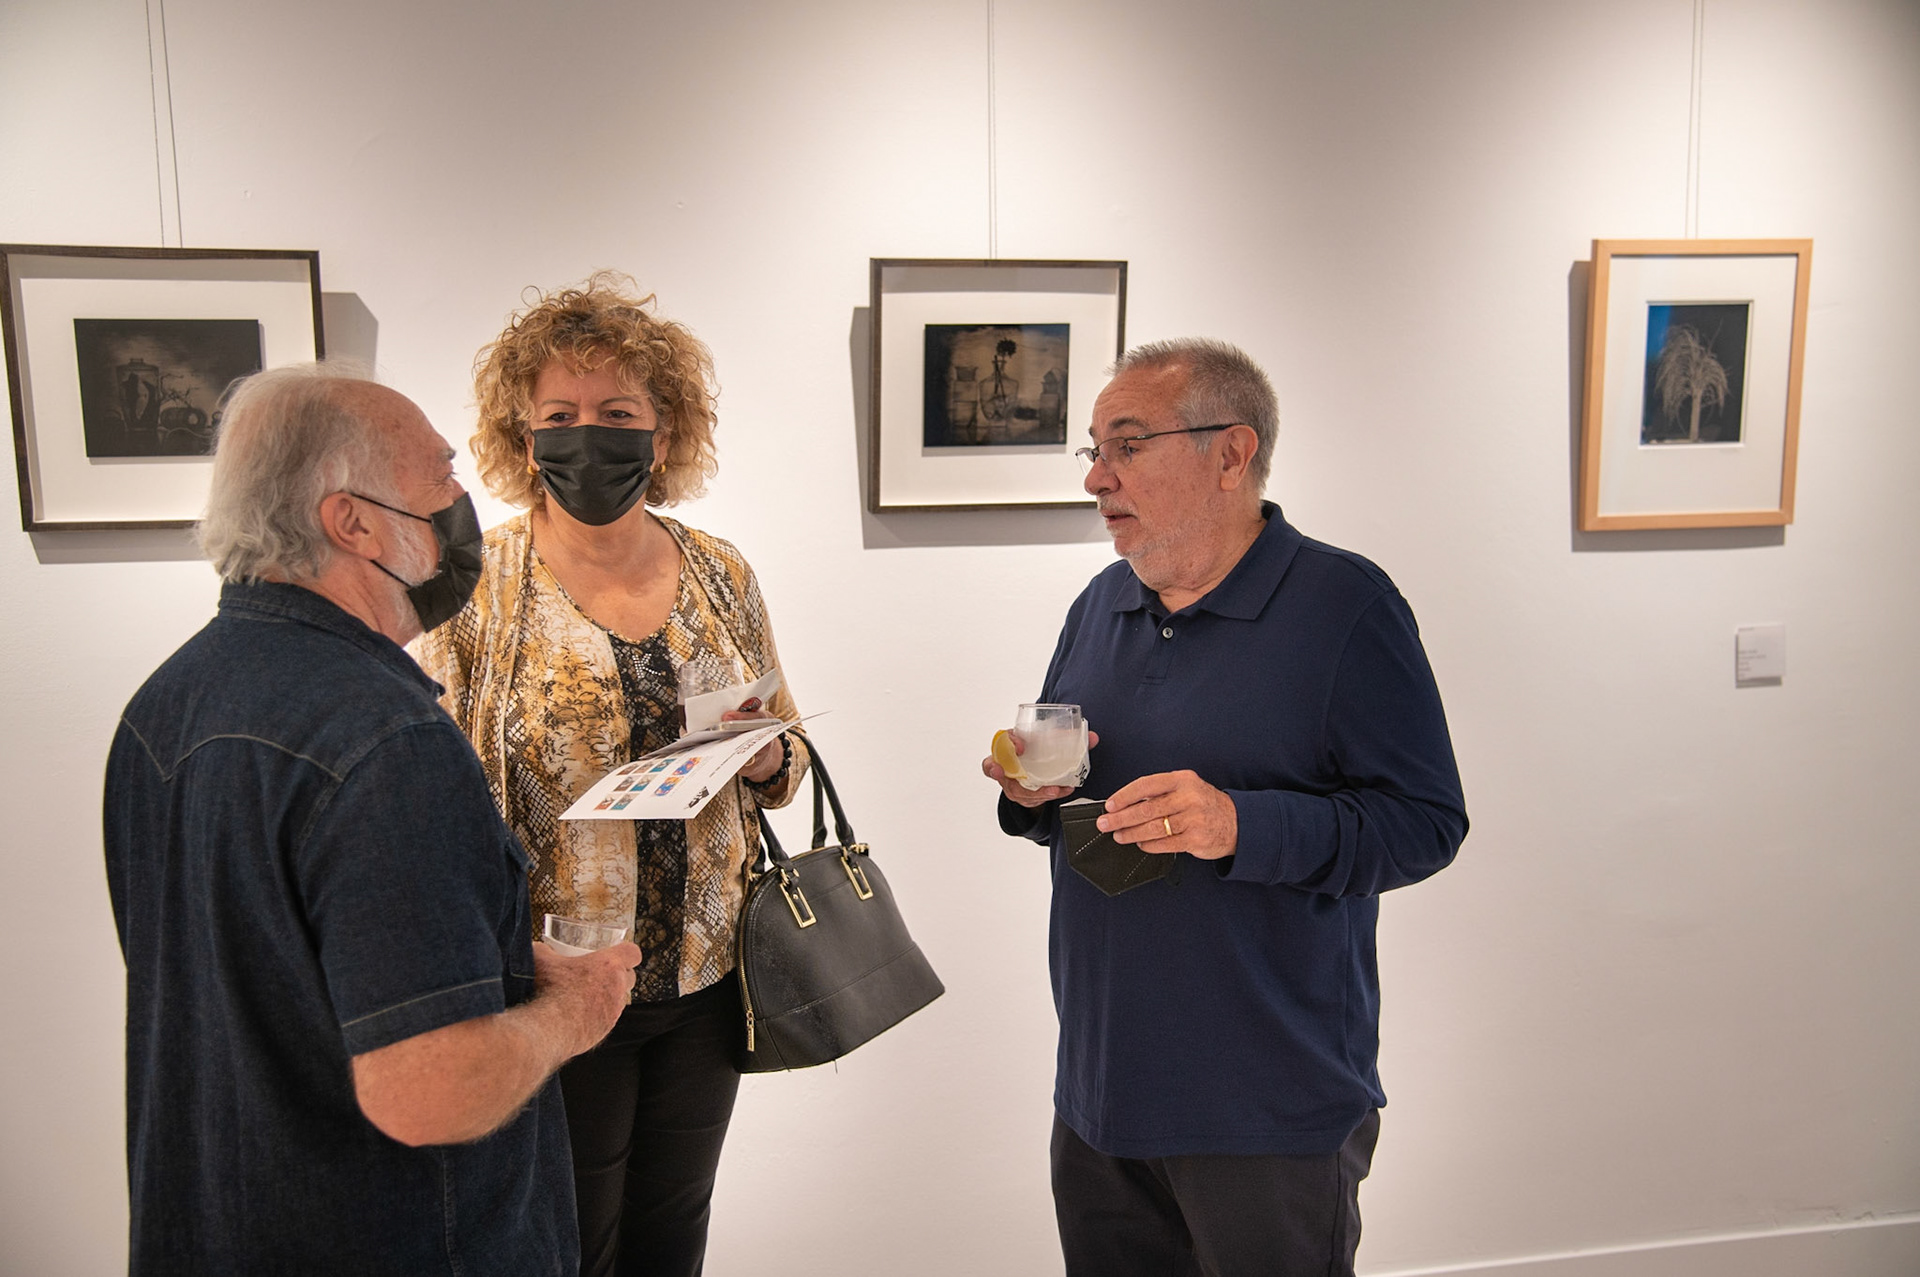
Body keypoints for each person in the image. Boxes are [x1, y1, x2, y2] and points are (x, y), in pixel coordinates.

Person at [103, 364, 641, 1275]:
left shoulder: (165, 703)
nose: (461, 502)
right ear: (351, 521)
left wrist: (493, 961)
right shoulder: (389, 741)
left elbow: (275, 970)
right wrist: (572, 1011)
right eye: (440, 475)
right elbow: (427, 1092)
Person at [983, 339, 1468, 1277]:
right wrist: (1035, 794)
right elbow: (1075, 793)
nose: (1096, 478)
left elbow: (1425, 823)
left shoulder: (1345, 606)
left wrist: (1240, 824)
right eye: (1094, 450)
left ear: (1231, 454)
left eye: (1128, 447)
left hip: (1267, 1107)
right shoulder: (1100, 604)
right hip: (1101, 1093)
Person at [413, 274, 808, 1277]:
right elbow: (433, 790)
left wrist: (767, 753)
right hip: (555, 980)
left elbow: (788, 758)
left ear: (662, 436)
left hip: (707, 975)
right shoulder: (477, 583)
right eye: (560, 415)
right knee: (566, 1240)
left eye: (618, 414)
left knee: (673, 1231)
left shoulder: (721, 570)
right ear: (525, 437)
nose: (588, 435)